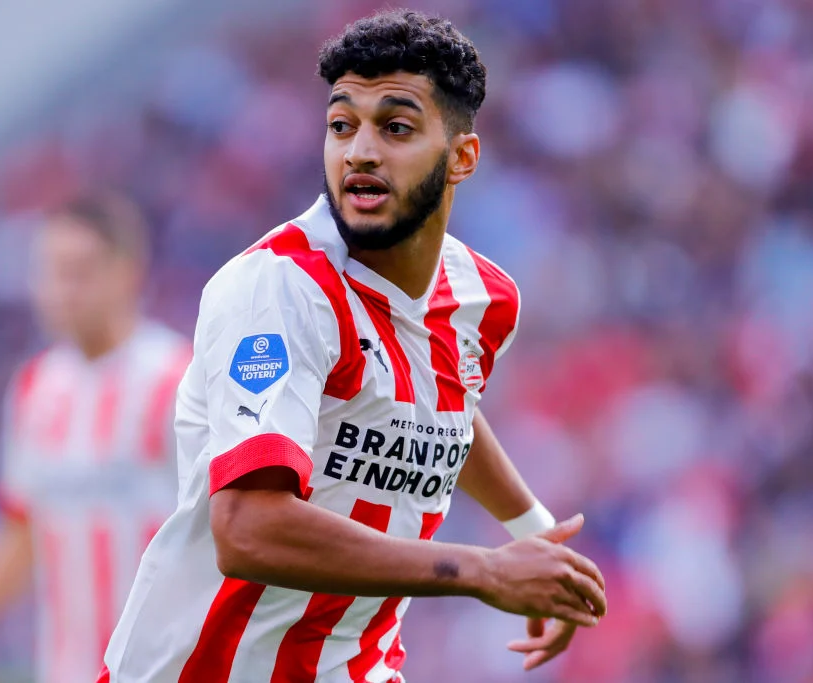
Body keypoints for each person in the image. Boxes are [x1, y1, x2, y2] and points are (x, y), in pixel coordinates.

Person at [101, 10, 607, 683]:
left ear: (461, 158)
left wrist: (533, 530)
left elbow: (437, 400)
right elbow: (248, 527)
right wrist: (485, 570)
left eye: (395, 128)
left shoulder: (484, 300)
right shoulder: (279, 288)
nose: (359, 152)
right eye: (342, 125)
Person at [0, 192, 191, 683]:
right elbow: (22, 530)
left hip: (170, 667)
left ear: (127, 272)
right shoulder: (35, 388)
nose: (61, 290)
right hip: (69, 670)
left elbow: (222, 526)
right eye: (49, 272)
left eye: (78, 272)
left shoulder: (178, 379)